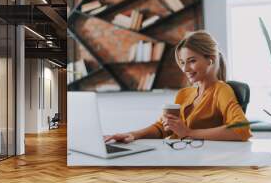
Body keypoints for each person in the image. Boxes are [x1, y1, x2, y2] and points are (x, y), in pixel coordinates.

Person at [104, 30, 252, 143]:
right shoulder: (184, 94)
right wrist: (134, 134)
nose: (185, 69)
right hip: (177, 156)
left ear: (210, 60)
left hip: (201, 165)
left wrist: (189, 133)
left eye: (192, 61)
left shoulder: (221, 90)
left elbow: (241, 130)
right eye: (182, 62)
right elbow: (163, 128)